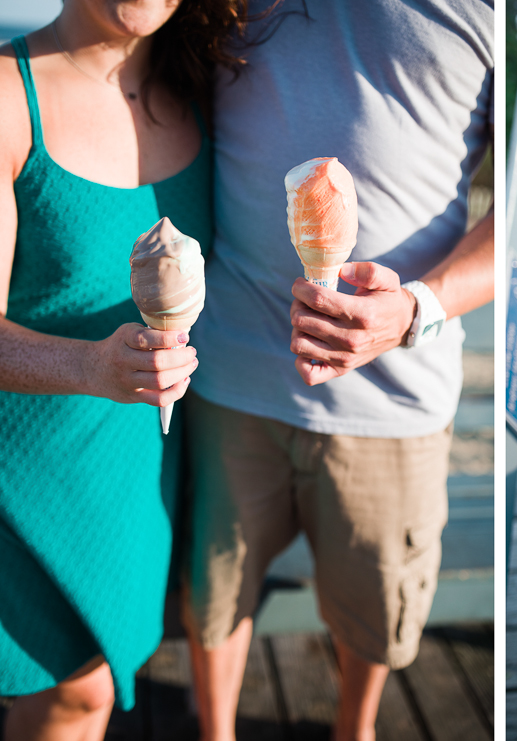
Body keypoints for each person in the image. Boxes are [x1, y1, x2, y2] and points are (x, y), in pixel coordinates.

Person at [180, 2, 494, 740]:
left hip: (395, 398)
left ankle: (355, 730)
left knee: (372, 617)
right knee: (214, 597)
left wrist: (417, 307)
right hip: (227, 371)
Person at [0, 1, 245, 738]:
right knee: (75, 693)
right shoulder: (11, 93)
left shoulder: (204, 93)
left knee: (97, 688)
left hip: (136, 474)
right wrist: (92, 363)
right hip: (21, 473)